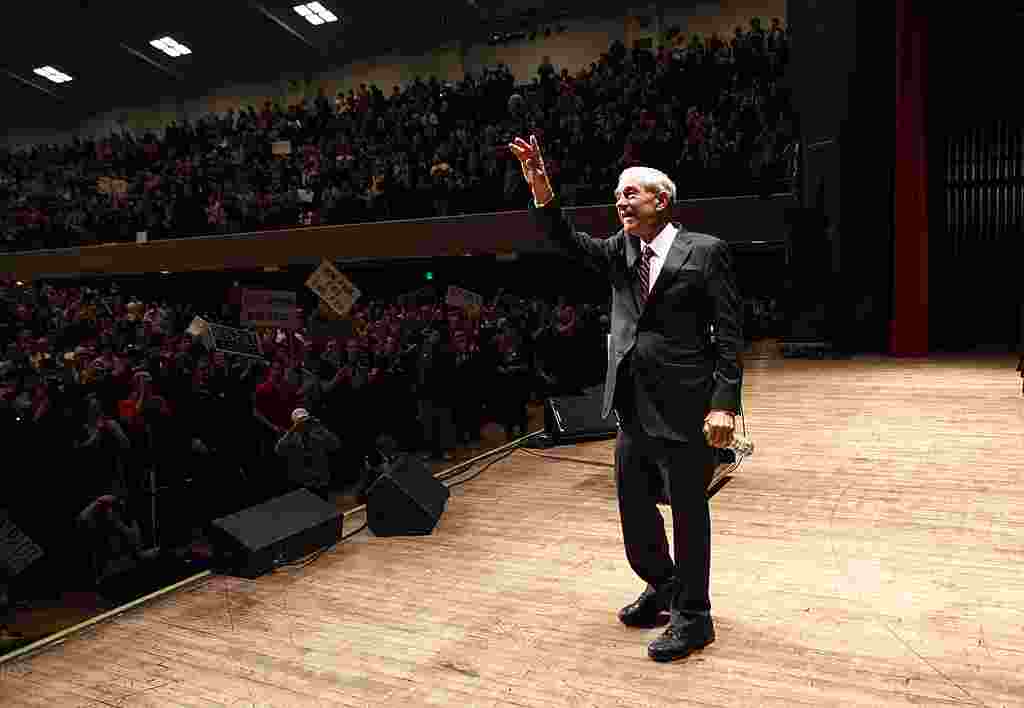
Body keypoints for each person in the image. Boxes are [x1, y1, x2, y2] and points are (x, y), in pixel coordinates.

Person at [509, 135, 743, 663]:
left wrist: (724, 402)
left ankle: (695, 615)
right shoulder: (621, 250)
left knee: (687, 512)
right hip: (631, 402)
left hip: (686, 404)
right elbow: (566, 240)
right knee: (634, 507)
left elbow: (730, 335)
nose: (620, 201)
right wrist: (541, 186)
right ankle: (661, 585)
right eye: (617, 194)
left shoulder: (705, 252)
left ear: (661, 200)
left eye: (630, 193)